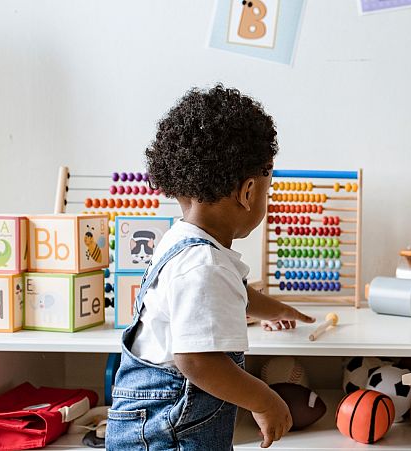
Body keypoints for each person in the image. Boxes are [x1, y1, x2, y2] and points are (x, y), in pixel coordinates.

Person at [106, 85, 315, 450]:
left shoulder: (184, 243)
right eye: (266, 191)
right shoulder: (204, 265)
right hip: (167, 433)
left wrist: (275, 308)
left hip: (158, 420)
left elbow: (233, 294)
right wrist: (264, 400)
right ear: (248, 192)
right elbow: (197, 360)